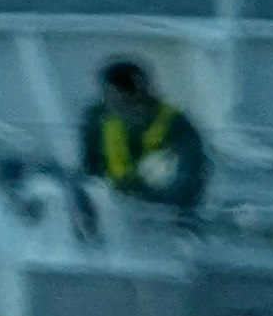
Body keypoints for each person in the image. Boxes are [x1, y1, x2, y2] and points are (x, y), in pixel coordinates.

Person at [78, 57, 210, 210]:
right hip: (113, 207)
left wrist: (150, 198)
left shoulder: (176, 124)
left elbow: (191, 178)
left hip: (164, 211)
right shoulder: (96, 119)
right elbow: (90, 168)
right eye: (108, 95)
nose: (110, 101)